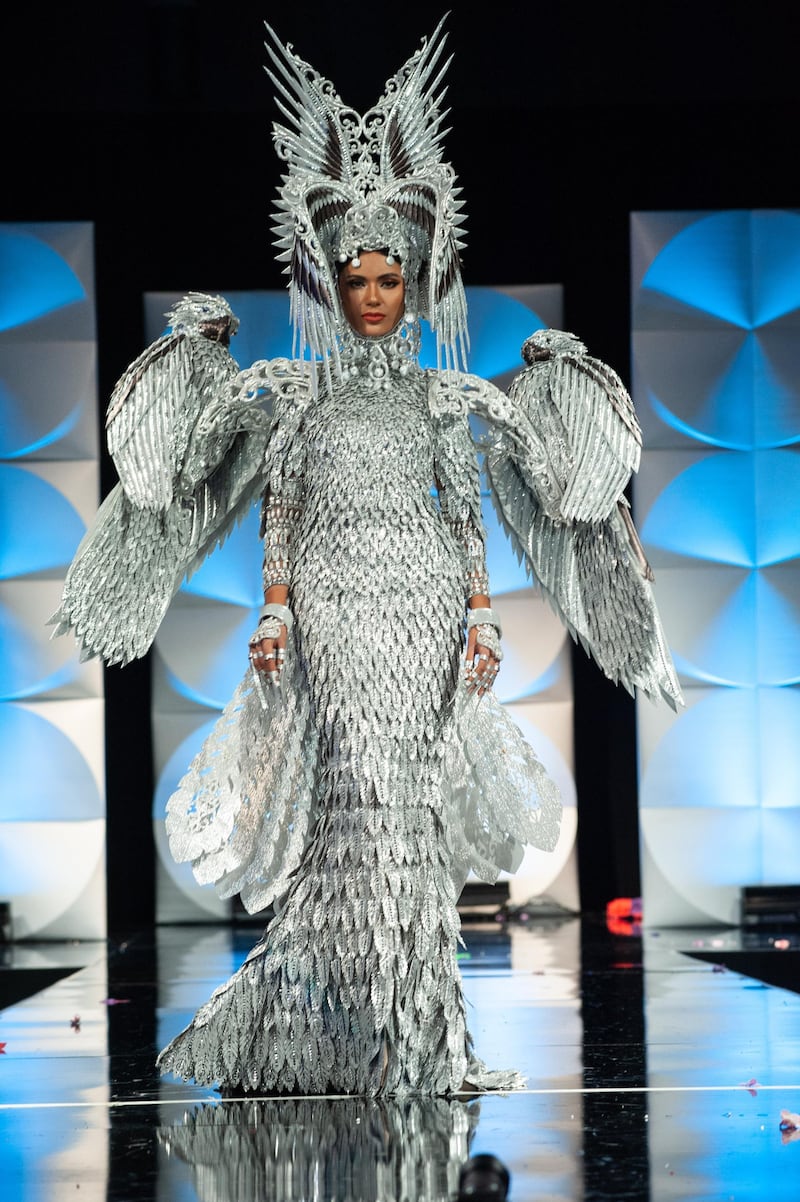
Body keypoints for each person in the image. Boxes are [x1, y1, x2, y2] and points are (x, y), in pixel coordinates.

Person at [52, 18, 681, 1097]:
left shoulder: (448, 397)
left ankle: (424, 1042)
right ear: (331, 280)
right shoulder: (291, 393)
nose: (375, 293)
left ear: (417, 278)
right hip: (337, 613)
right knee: (358, 799)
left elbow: (470, 515)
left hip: (428, 608)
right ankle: (322, 1027)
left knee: (414, 812)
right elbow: (278, 508)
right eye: (358, 277)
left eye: (392, 277)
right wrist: (277, 608)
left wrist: (483, 614)